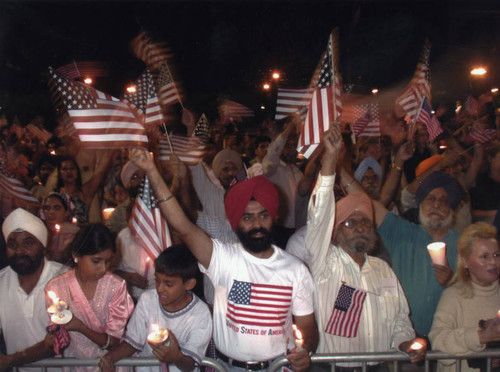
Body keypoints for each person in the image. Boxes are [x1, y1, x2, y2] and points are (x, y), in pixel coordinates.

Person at [129, 147, 318, 372]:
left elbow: (308, 328)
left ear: (274, 217)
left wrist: (306, 350)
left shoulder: (296, 269)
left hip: (279, 367)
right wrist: (152, 171)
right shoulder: (223, 258)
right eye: (248, 217)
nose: (257, 224)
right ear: (236, 222)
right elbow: (183, 226)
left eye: (263, 215)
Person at [305, 126, 426, 371]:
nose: (360, 226)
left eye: (365, 221)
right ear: (336, 231)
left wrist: (406, 343)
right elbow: (319, 215)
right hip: (334, 367)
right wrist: (329, 161)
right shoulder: (324, 263)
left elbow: (401, 317)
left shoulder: (383, 270)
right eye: (350, 221)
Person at [372, 171, 462, 336]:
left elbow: (475, 290)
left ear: (451, 208)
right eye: (431, 199)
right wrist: (336, 167)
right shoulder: (403, 233)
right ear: (420, 204)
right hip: (404, 338)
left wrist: (452, 282)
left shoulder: (463, 244)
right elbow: (366, 204)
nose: (436, 205)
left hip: (448, 339)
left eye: (443, 201)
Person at [99, 244, 212, 372]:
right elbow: (132, 343)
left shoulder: (200, 314)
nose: (160, 289)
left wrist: (176, 357)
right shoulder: (148, 300)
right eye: (157, 281)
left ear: (189, 284)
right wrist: (110, 358)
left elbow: (190, 364)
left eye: (168, 284)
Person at [44, 223, 134, 371]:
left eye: (108, 261)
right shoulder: (55, 287)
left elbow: (114, 342)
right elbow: (58, 333)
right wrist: (54, 337)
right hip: (74, 365)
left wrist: (80, 326)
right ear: (76, 255)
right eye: (96, 261)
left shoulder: (115, 286)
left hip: (109, 365)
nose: (103, 269)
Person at [0, 208, 66, 372]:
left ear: (43, 245)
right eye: (12, 244)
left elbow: (59, 339)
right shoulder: (1, 281)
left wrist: (13, 359)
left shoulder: (64, 279)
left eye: (28, 243)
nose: (19, 251)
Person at [429, 222, 500, 372]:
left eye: (496, 255)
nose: (493, 262)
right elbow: (438, 340)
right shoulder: (454, 296)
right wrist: (479, 337)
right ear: (465, 261)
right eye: (484, 256)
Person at [261, 116, 308, 248]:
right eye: (287, 145)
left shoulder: (298, 173)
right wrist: (289, 129)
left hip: (298, 229)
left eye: (294, 146)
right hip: (278, 229)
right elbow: (273, 153)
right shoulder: (272, 168)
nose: (291, 149)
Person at [42, 192, 80, 264]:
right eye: (47, 208)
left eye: (57, 208)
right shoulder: (39, 231)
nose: (51, 212)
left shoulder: (73, 234)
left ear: (67, 212)